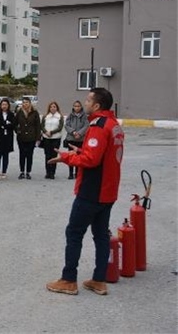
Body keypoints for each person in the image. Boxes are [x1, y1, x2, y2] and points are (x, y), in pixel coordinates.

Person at [46, 87, 124, 296]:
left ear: (97, 105)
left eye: (88, 99)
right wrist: (79, 151)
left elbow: (91, 160)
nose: (85, 102)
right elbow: (100, 155)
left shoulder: (99, 126)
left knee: (74, 232)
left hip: (92, 191)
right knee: (100, 235)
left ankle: (69, 279)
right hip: (107, 191)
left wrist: (66, 157)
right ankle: (99, 280)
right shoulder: (114, 125)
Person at [15, 97, 41, 180]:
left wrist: (38, 138)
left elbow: (38, 126)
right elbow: (15, 123)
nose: (25, 104)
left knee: (29, 155)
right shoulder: (19, 112)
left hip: (31, 137)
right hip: (21, 137)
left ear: (30, 103)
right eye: (23, 102)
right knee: (22, 154)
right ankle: (22, 171)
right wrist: (17, 130)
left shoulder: (35, 113)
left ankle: (28, 172)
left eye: (27, 102)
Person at [63, 100, 88, 179]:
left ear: (81, 107)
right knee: (71, 156)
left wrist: (79, 133)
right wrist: (73, 132)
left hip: (80, 139)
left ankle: (77, 173)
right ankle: (70, 173)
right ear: (73, 107)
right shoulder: (70, 115)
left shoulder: (84, 116)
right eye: (75, 106)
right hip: (71, 139)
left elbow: (86, 126)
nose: (77, 108)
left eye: (78, 106)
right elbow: (66, 125)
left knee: (79, 156)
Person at [0, 98, 16, 179]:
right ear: (0, 105)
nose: (4, 106)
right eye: (3, 104)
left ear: (8, 105)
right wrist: (6, 123)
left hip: (8, 137)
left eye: (6, 104)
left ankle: (4, 171)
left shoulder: (11, 114)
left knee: (6, 155)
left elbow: (13, 125)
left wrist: (4, 124)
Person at [41, 101, 64, 179]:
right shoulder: (45, 116)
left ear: (57, 108)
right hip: (46, 138)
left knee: (54, 155)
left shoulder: (60, 116)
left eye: (54, 107)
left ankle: (52, 173)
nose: (53, 108)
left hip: (56, 138)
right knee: (47, 155)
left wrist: (51, 132)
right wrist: (45, 132)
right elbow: (42, 126)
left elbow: (60, 127)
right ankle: (47, 172)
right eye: (51, 107)